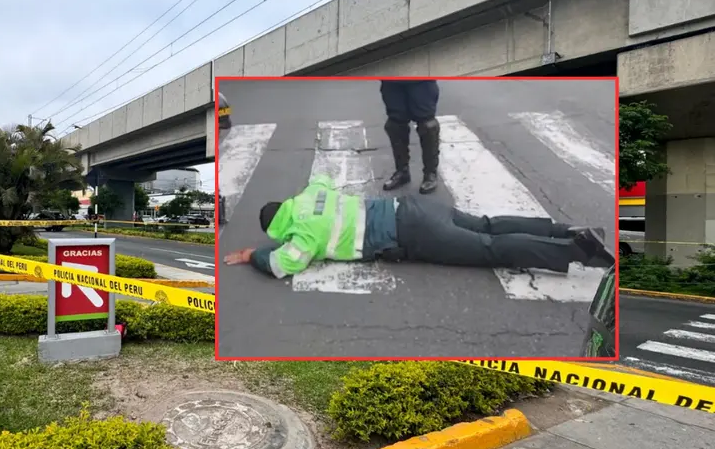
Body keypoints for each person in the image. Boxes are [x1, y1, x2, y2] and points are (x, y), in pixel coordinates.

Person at [222, 174, 614, 279]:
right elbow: (322, 177)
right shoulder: (311, 195)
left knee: (488, 249)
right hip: (414, 206)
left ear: (279, 229)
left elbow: (281, 265)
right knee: (487, 224)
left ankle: (576, 251)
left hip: (413, 235)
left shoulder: (301, 236)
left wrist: (250, 254)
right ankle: (566, 230)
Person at [379, 79, 441, 194]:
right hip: (392, 79)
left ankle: (430, 173)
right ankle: (402, 172)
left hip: (421, 79)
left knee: (427, 125)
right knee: (395, 124)